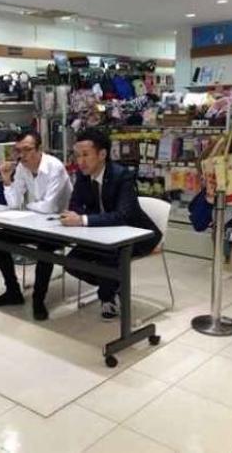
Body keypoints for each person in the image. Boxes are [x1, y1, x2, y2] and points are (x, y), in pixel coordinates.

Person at [60, 128, 162, 320]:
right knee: (71, 262)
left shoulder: (122, 176)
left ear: (102, 154)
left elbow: (123, 215)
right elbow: (75, 205)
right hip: (101, 235)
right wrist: (76, 215)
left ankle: (107, 297)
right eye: (77, 155)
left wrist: (82, 220)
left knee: (109, 256)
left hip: (137, 235)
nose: (80, 161)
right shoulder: (83, 175)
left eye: (85, 155)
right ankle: (114, 284)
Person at [0, 131, 73, 321]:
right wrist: (6, 179)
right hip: (38, 222)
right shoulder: (22, 168)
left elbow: (50, 207)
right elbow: (15, 203)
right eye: (19, 150)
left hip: (63, 224)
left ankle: (38, 300)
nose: (22, 155)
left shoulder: (54, 167)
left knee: (45, 249)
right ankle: (13, 292)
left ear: (40, 149)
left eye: (27, 149)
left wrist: (29, 205)